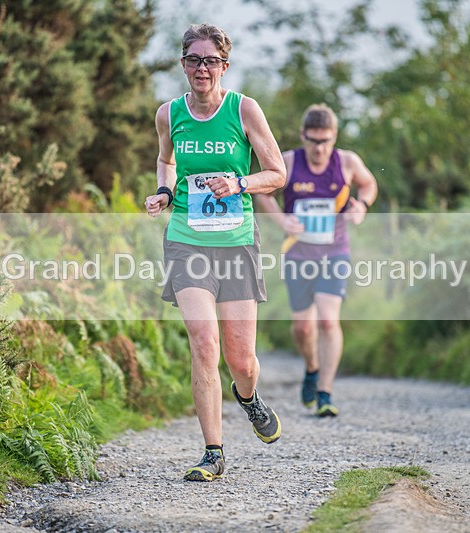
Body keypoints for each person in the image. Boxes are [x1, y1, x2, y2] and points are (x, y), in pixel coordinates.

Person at [144, 23, 286, 482]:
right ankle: (213, 451)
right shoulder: (169, 113)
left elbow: (277, 172)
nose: (201, 68)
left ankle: (248, 397)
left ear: (225, 65)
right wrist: (165, 193)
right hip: (187, 239)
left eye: (210, 61)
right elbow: (167, 159)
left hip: (236, 241)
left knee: (241, 361)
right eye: (193, 60)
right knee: (204, 342)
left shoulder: (244, 110)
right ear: (183, 63)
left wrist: (239, 182)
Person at [254, 103, 378, 417]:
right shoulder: (290, 162)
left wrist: (361, 206)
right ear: (303, 136)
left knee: (327, 319)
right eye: (312, 140)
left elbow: (369, 184)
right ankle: (311, 367)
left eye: (325, 140)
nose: (319, 148)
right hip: (298, 253)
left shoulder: (347, 161)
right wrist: (282, 221)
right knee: (302, 329)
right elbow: (264, 193)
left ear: (334, 137)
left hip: (335, 251)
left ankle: (325, 393)